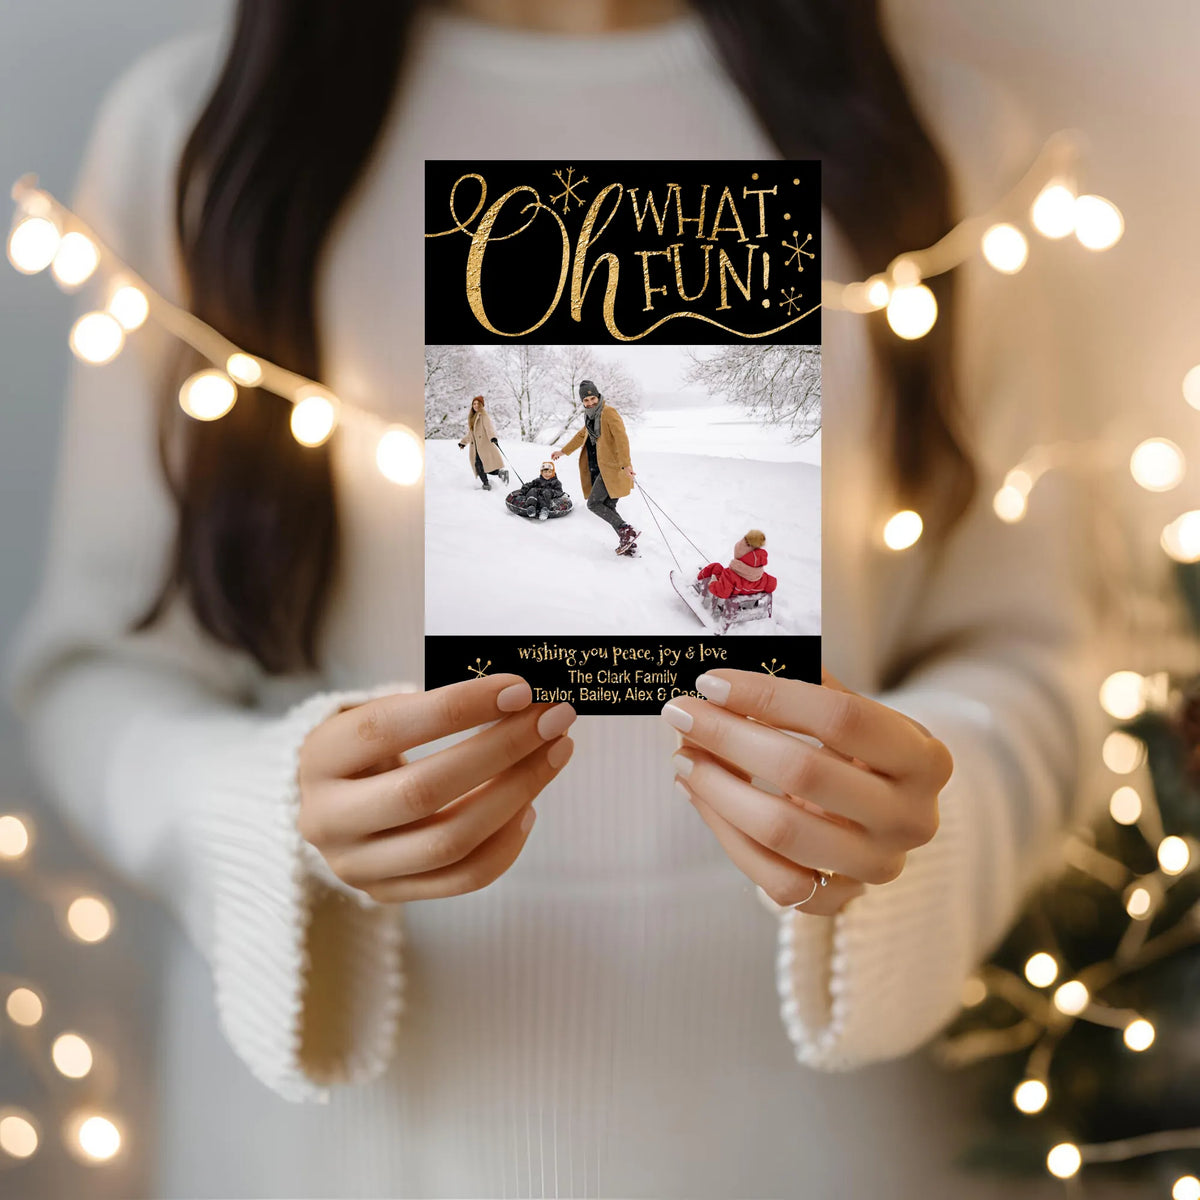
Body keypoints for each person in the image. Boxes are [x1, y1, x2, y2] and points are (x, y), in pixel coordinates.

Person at [1, 3, 1096, 1197]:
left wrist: (927, 807)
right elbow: (95, 670)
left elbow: (1035, 655)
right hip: (345, 1152)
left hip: (821, 1146)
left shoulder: (943, 142)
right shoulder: (198, 137)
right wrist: (266, 808)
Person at [551, 378, 640, 554]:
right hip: (600, 468)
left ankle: (626, 530)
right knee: (608, 506)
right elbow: (580, 436)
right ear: (582, 402)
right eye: (586, 400)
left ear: (598, 396)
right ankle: (628, 542)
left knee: (593, 504)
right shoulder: (590, 417)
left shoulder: (608, 413)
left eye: (593, 399)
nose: (590, 403)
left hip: (612, 469)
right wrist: (563, 452)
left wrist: (626, 464)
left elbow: (622, 439)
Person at [697, 529, 778, 598]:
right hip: (741, 592)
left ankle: (698, 582)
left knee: (715, 566)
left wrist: (713, 583)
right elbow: (772, 584)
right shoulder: (763, 578)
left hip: (726, 587)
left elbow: (722, 592)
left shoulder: (730, 575)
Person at [458, 394, 508, 490]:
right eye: (474, 404)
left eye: (478, 404)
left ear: (481, 405)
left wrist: (493, 437)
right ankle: (498, 474)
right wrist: (463, 442)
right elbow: (470, 434)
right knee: (481, 467)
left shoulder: (483, 416)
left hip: (483, 446)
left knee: (481, 466)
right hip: (476, 448)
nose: (475, 405)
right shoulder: (472, 417)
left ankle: (486, 484)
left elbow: (489, 428)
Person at [505, 461, 572, 520]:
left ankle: (544, 510)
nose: (547, 474)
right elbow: (530, 484)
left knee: (546, 492)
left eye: (549, 472)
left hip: (548, 497)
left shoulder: (556, 482)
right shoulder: (538, 480)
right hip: (536, 495)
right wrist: (525, 488)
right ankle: (531, 507)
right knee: (533, 490)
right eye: (545, 472)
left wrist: (552, 492)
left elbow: (559, 492)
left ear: (553, 472)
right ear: (541, 472)